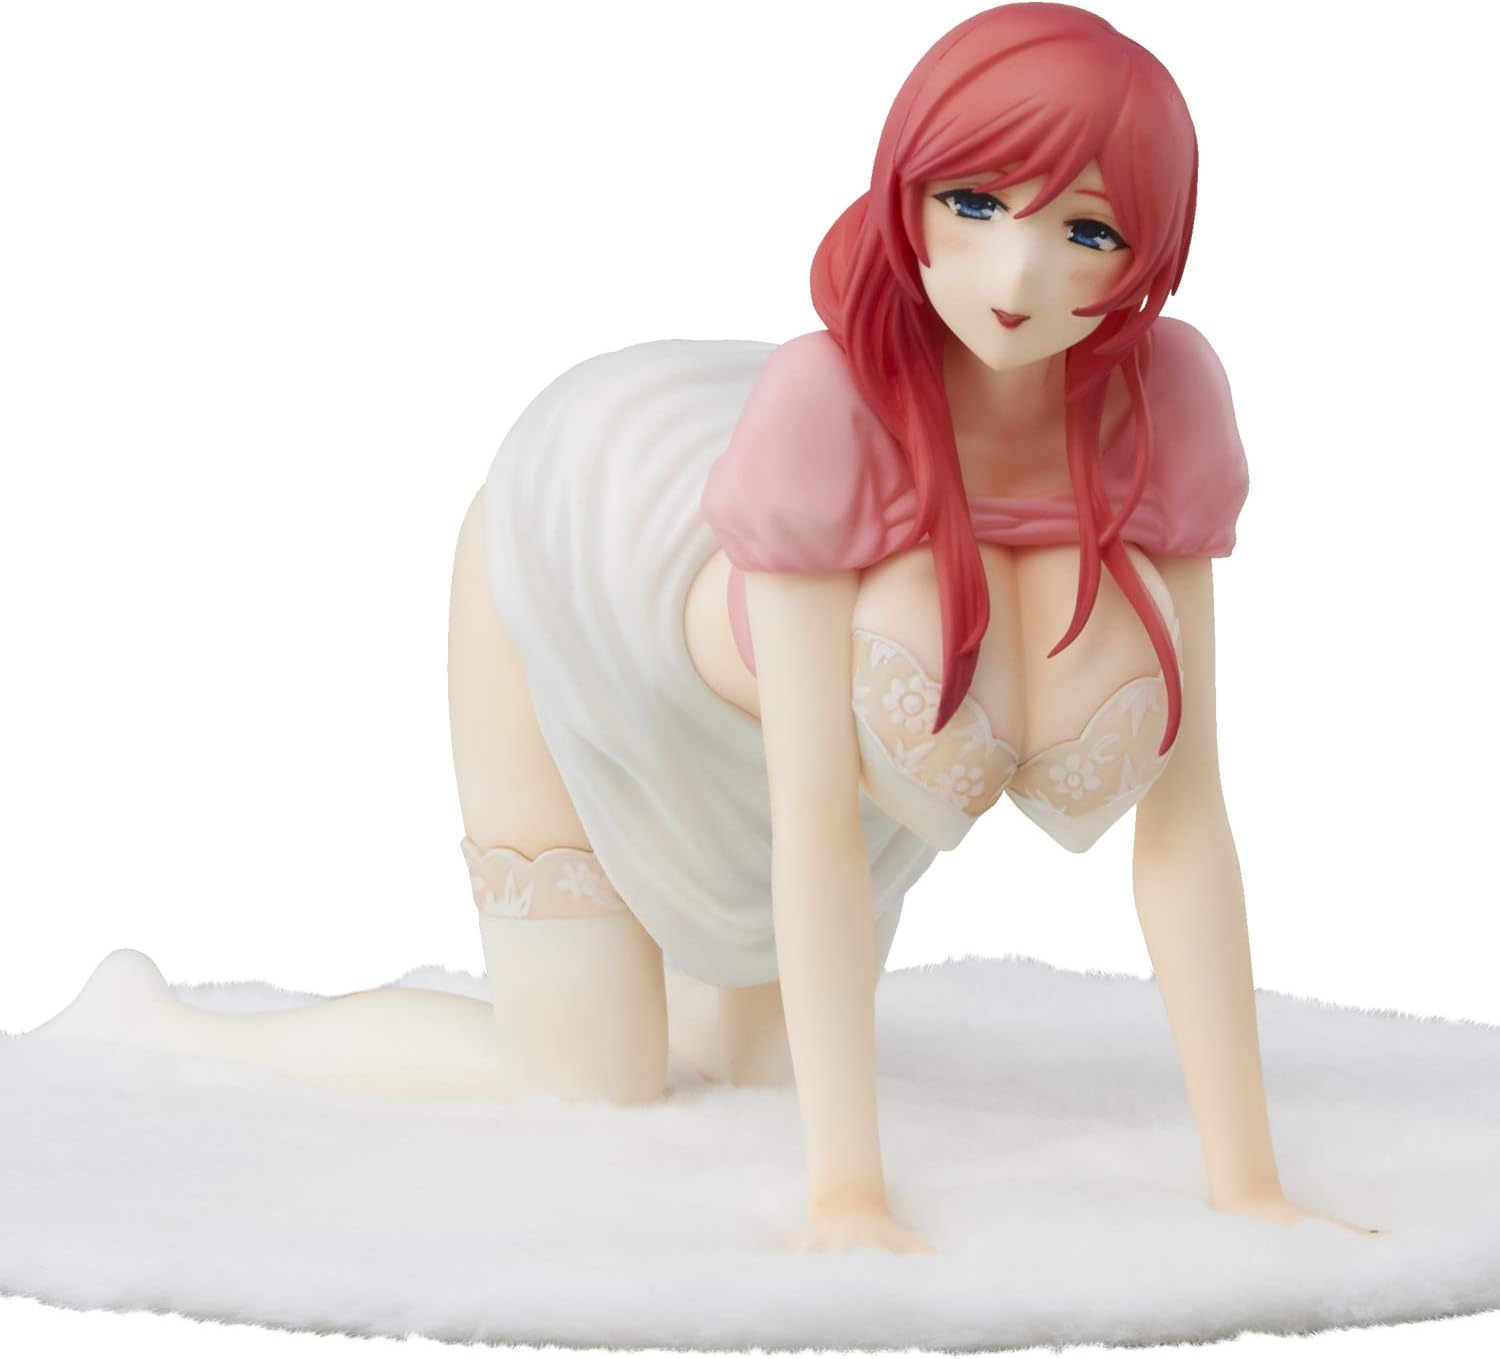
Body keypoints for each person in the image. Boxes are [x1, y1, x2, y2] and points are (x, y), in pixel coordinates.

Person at [29, 3, 1384, 1253]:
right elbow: (812, 819)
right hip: (587, 569)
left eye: (1087, 231)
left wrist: (1246, 1181)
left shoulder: (1164, 399)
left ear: (1154, 251)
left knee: (759, 1066)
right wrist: (846, 1195)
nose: (1017, 272)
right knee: (585, 1079)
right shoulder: (829, 416)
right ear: (904, 188)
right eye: (972, 203)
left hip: (802, 722)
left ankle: (676, 970)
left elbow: (1187, 820)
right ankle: (167, 1027)